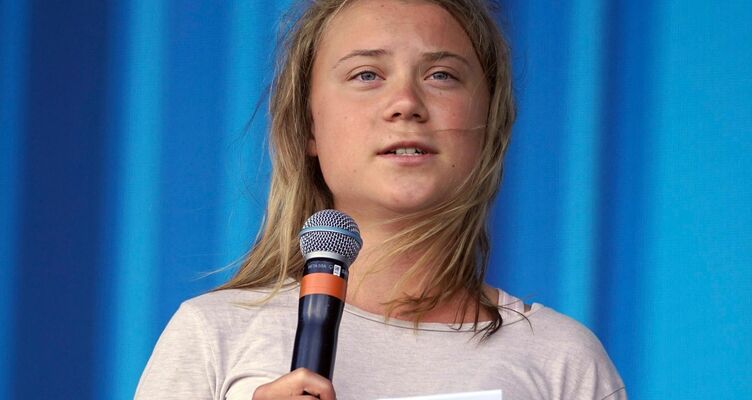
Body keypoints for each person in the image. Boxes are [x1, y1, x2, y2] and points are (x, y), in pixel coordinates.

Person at [135, 0, 626, 399]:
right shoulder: (213, 335)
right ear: (309, 125)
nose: (406, 104)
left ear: (489, 123)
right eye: (367, 74)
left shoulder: (563, 361)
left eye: (441, 75)